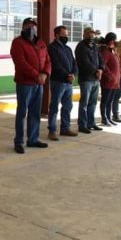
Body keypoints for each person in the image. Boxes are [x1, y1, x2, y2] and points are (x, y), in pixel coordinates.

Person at [10, 17, 51, 154]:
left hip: (39, 83)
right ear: (23, 27)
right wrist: (36, 75)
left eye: (33, 26)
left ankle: (33, 139)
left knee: (35, 113)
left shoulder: (41, 43)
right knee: (22, 113)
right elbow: (20, 62)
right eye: (28, 26)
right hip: (25, 83)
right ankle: (19, 142)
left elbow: (48, 61)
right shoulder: (17, 43)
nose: (31, 28)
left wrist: (45, 74)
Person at [47, 25, 78, 141]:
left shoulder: (68, 48)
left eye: (67, 34)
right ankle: (52, 130)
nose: (66, 36)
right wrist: (67, 75)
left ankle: (65, 128)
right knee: (54, 106)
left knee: (68, 106)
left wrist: (73, 74)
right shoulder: (52, 48)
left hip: (68, 83)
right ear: (57, 35)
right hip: (58, 81)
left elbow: (74, 64)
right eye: (64, 34)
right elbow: (55, 64)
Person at [75, 27, 104, 133]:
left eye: (92, 33)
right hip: (86, 79)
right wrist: (96, 71)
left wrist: (101, 69)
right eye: (88, 33)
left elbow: (101, 59)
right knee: (84, 103)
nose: (91, 35)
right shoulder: (81, 46)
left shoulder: (95, 46)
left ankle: (91, 123)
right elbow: (84, 62)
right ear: (84, 34)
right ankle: (82, 125)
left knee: (93, 102)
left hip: (96, 79)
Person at [99, 32, 120, 127]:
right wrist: (110, 76)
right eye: (115, 40)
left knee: (110, 101)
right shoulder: (105, 52)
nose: (116, 42)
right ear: (111, 41)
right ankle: (104, 118)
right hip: (108, 81)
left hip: (115, 82)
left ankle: (109, 117)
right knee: (105, 100)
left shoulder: (112, 51)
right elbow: (103, 66)